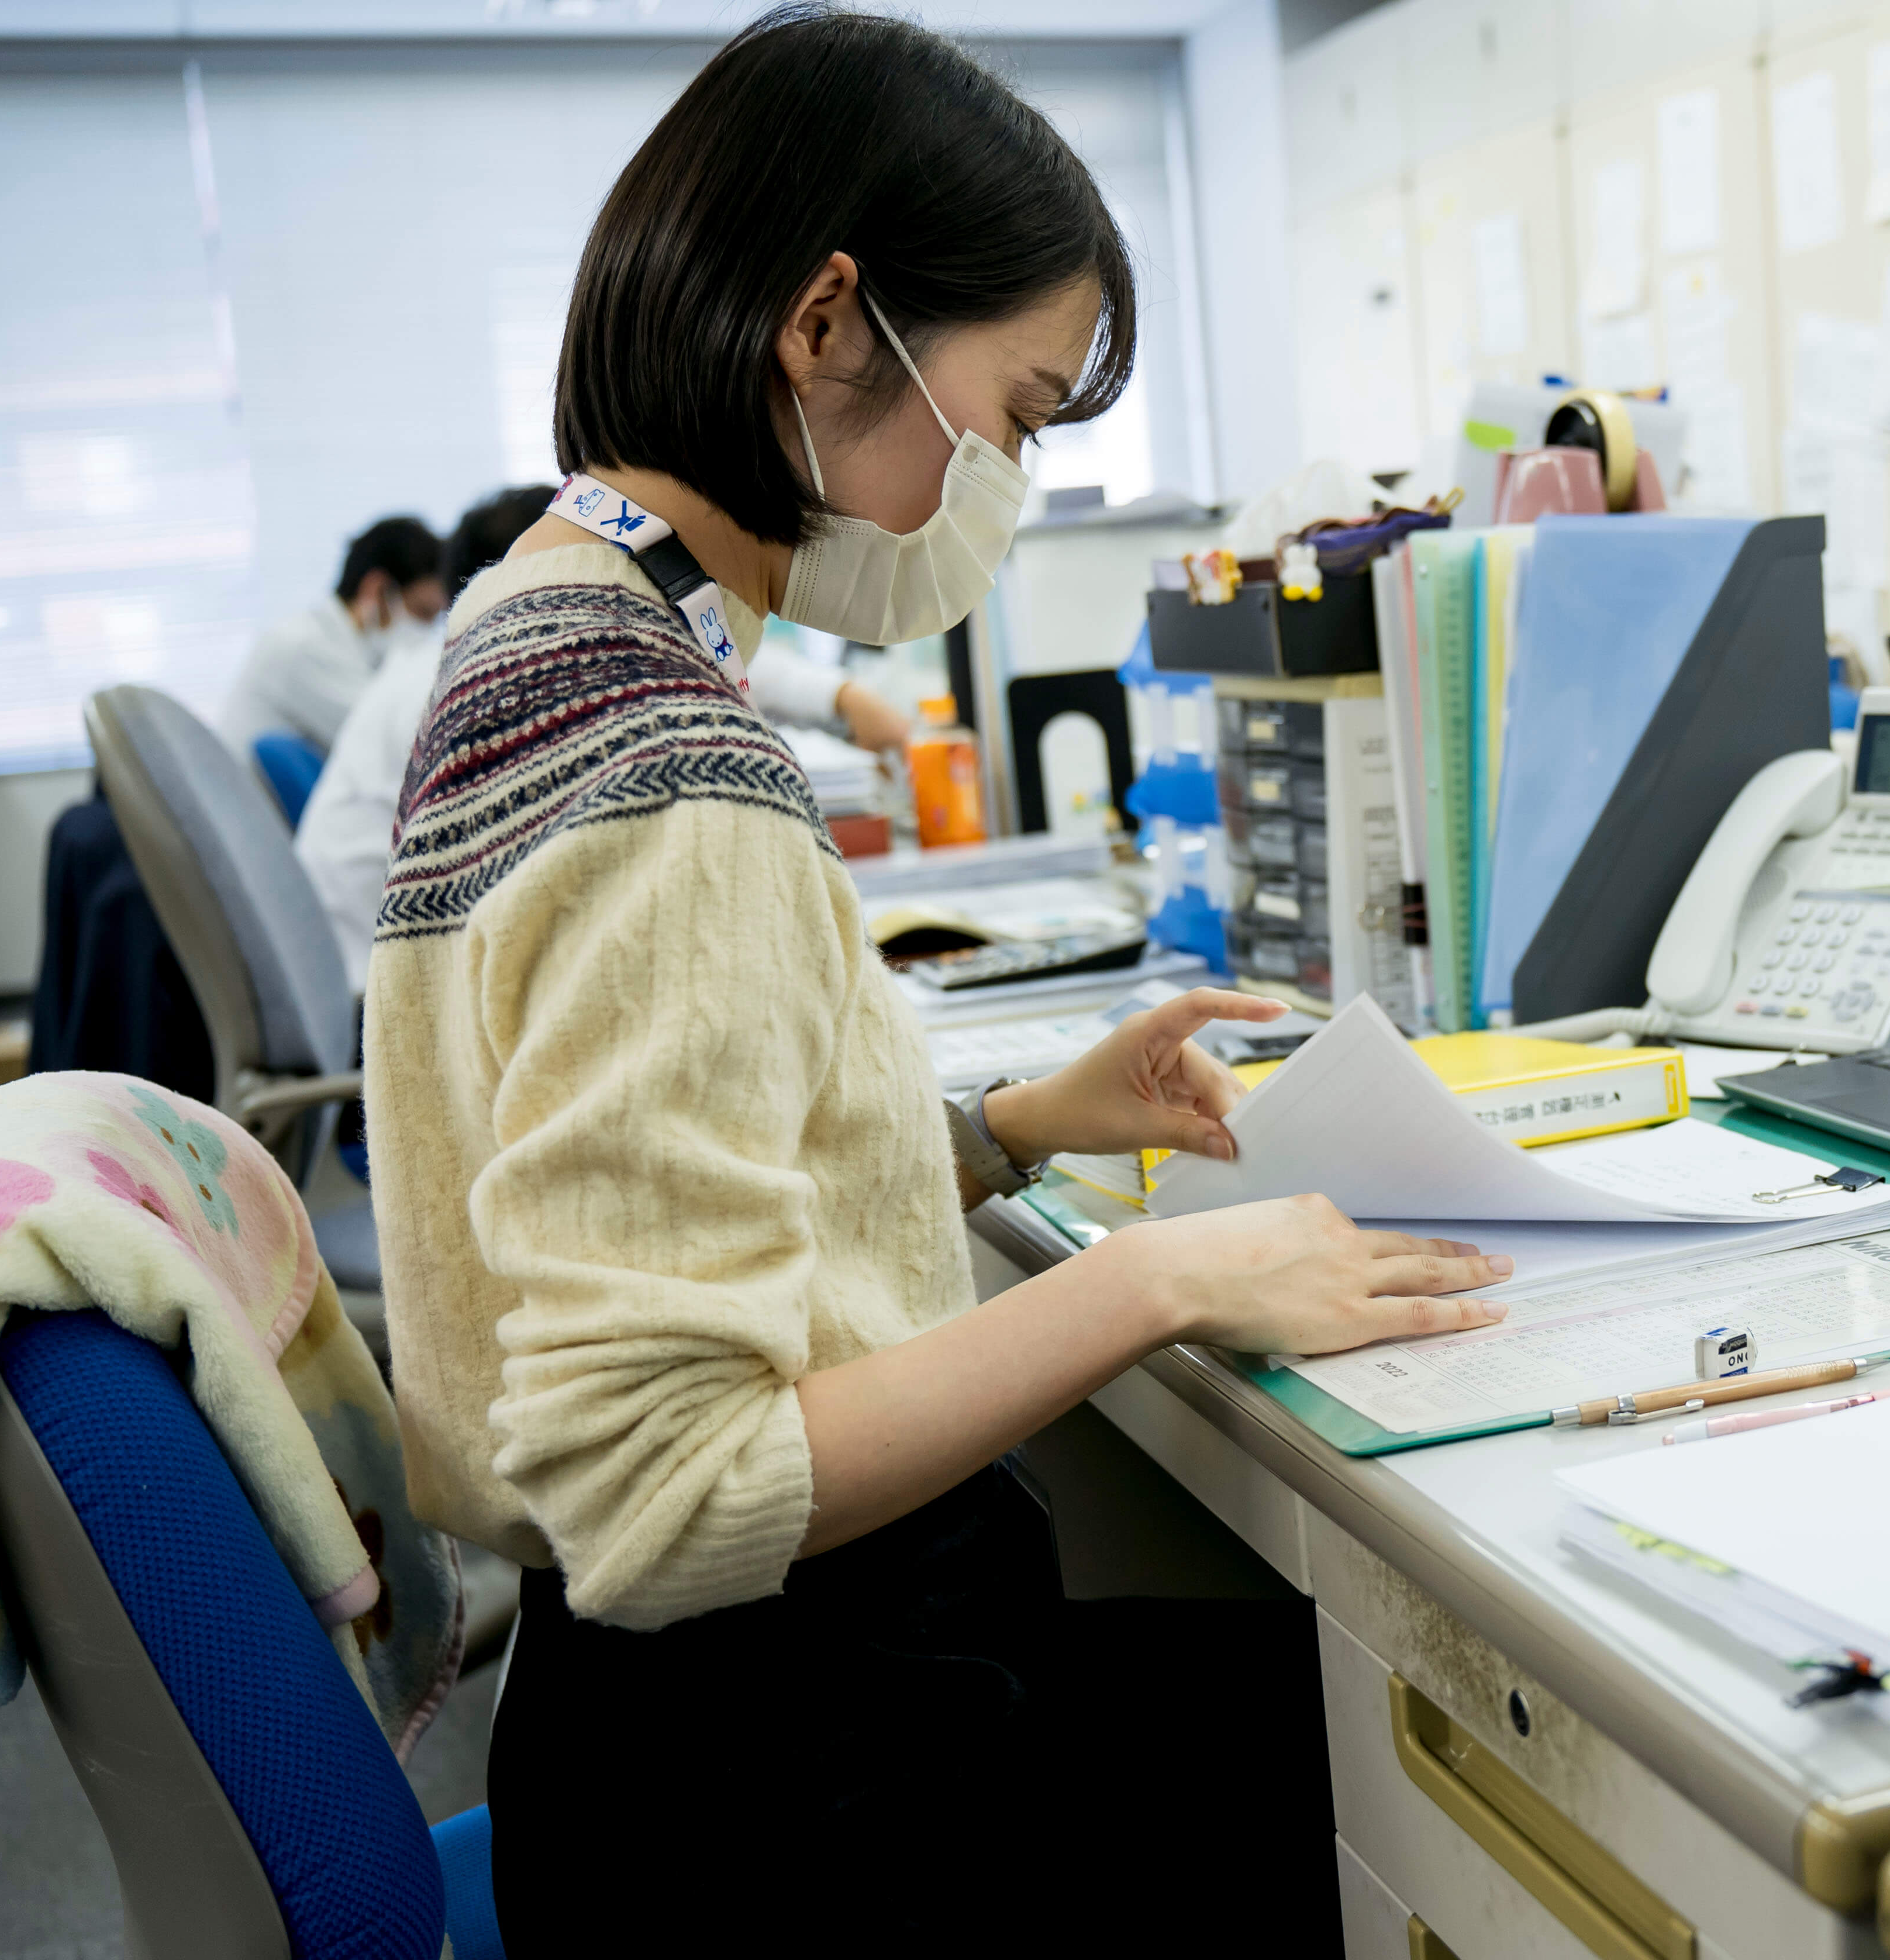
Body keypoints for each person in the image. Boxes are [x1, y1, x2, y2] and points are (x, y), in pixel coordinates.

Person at [363, 10, 1502, 1949]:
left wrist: (994, 1133)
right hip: (793, 1785)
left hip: (649, 1754)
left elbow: (631, 1190)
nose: (1016, 477)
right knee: (1403, 1763)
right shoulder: (673, 776)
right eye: (1026, 410)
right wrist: (1164, 1277)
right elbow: (671, 1492)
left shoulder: (537, 623)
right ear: (828, 326)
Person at [296, 486, 920, 986]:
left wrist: (842, 698)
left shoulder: (463, 654)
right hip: (382, 990)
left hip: (386, 966)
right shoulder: (496, 673)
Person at [218, 513, 444, 755]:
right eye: (423, 613)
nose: (427, 629)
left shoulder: (349, 648)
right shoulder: (304, 646)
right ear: (377, 589)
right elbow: (397, 741)